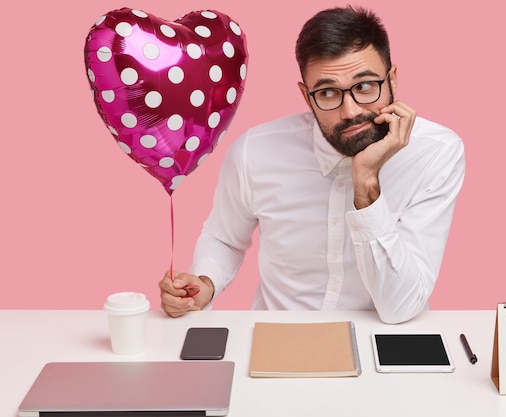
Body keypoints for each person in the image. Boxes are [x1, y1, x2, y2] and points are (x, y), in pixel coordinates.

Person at [159, 5, 465, 324]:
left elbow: (400, 307)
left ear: (393, 80)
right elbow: (224, 238)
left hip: (384, 341)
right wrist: (205, 283)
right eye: (329, 92)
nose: (349, 111)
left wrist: (366, 186)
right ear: (306, 96)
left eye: (364, 87)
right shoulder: (255, 151)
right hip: (279, 336)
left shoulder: (435, 153)